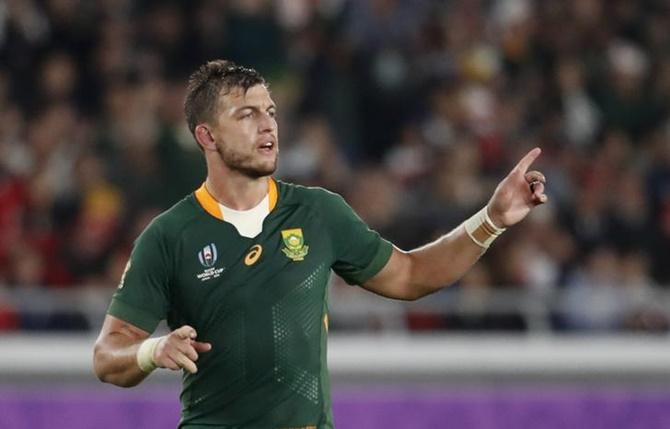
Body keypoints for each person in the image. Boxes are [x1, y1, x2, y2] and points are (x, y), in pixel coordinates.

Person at [93, 59, 547, 428]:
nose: (267, 125)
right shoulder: (170, 235)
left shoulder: (318, 213)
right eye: (246, 115)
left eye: (270, 111)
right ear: (207, 136)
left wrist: (492, 220)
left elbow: (410, 275)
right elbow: (107, 357)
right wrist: (153, 351)